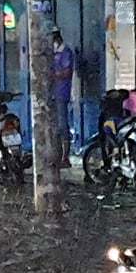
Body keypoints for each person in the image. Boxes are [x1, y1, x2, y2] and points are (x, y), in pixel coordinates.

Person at [51, 29, 75, 168]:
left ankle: (65, 157)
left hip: (61, 93)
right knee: (53, 127)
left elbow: (66, 72)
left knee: (62, 125)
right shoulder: (53, 53)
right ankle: (57, 155)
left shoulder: (66, 52)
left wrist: (51, 75)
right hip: (52, 94)